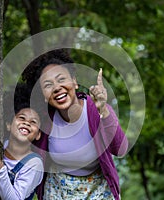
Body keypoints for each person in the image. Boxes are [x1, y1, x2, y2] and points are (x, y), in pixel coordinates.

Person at [22, 49, 128, 200]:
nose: (57, 87)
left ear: (74, 82)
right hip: (58, 190)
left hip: (97, 189)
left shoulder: (96, 110)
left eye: (61, 79)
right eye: (48, 84)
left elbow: (120, 149)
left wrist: (104, 110)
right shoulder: (44, 121)